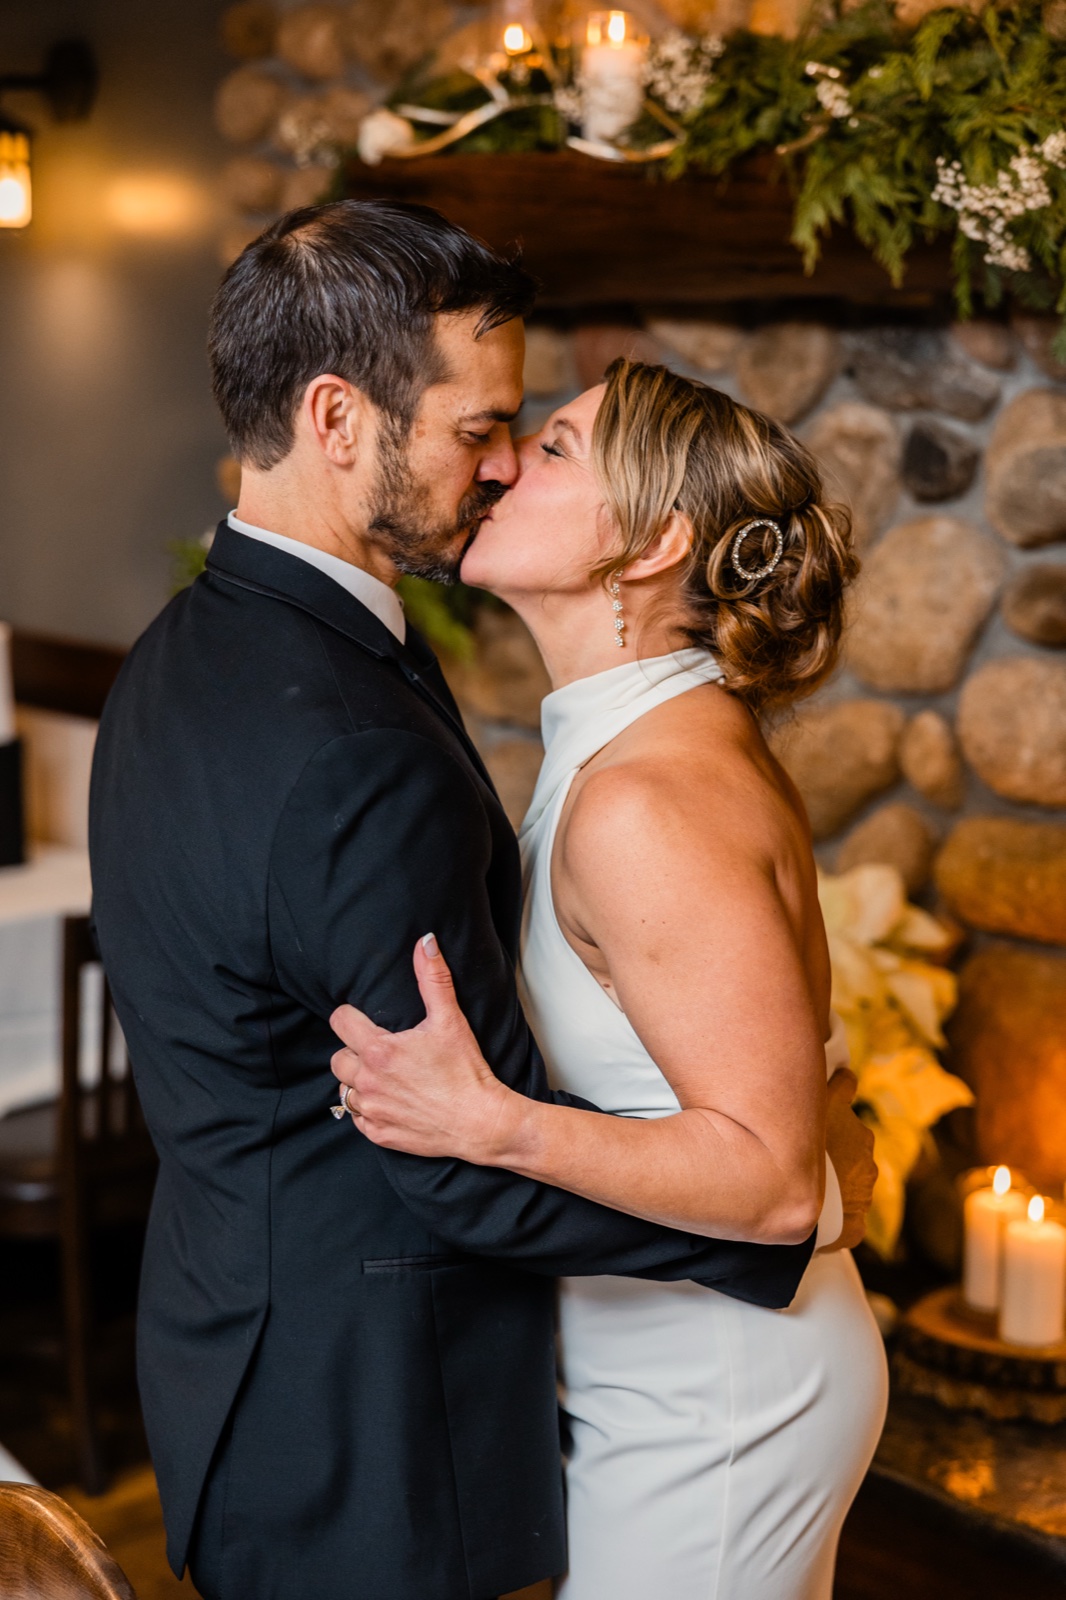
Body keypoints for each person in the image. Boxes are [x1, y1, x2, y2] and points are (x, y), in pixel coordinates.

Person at [89, 200, 873, 1600]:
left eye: (537, 438)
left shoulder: (196, 649)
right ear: (339, 421)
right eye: (481, 431)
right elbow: (453, 1165)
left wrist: (781, 1160)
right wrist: (789, 1206)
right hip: (357, 1407)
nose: (500, 465)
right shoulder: (350, 735)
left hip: (271, 1341)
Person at [329, 358, 890, 1599]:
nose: (507, 458)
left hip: (719, 1393)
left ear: (652, 542)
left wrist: (492, 1123)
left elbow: (773, 1183)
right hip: (665, 1366)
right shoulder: (629, 739)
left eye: (563, 447)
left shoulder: (643, 798)